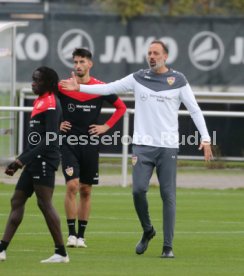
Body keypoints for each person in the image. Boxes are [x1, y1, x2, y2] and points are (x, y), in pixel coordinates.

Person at [60, 40, 213, 258]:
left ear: (165, 57)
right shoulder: (138, 77)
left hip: (168, 146)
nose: (151, 56)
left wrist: (205, 138)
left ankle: (167, 247)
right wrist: (80, 87)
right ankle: (148, 230)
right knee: (138, 190)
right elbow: (108, 88)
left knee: (168, 196)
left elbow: (195, 110)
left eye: (156, 53)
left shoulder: (178, 80)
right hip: (142, 146)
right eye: (149, 53)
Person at [58, 48, 126, 248]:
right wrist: (56, 125)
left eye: (82, 61)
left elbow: (121, 107)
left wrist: (106, 126)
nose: (78, 65)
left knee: (86, 190)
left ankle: (81, 237)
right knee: (72, 185)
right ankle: (70, 234)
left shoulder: (100, 88)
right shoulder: (63, 86)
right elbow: (47, 104)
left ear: (90, 64)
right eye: (75, 62)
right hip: (69, 143)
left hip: (90, 145)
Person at [0, 67, 69, 263]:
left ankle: (61, 252)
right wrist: (20, 160)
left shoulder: (51, 103)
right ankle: (2, 249)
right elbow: (35, 141)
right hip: (34, 160)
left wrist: (21, 160)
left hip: (46, 160)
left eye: (37, 80)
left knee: (44, 203)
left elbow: (49, 139)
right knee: (17, 200)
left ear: (47, 82)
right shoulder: (40, 101)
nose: (32, 83)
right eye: (32, 79)